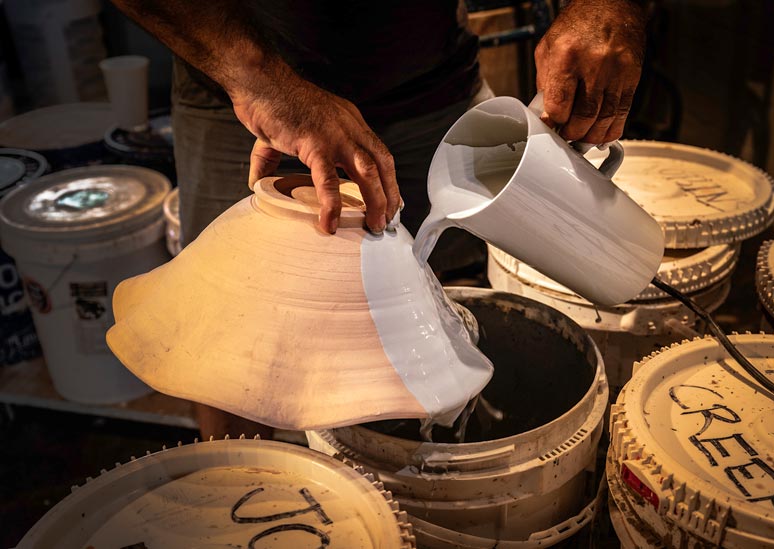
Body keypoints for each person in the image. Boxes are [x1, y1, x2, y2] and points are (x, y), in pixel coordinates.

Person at [111, 0, 646, 439]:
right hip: (241, 91)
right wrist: (258, 78)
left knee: (444, 320)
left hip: (431, 88)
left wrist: (605, 6)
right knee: (227, 358)